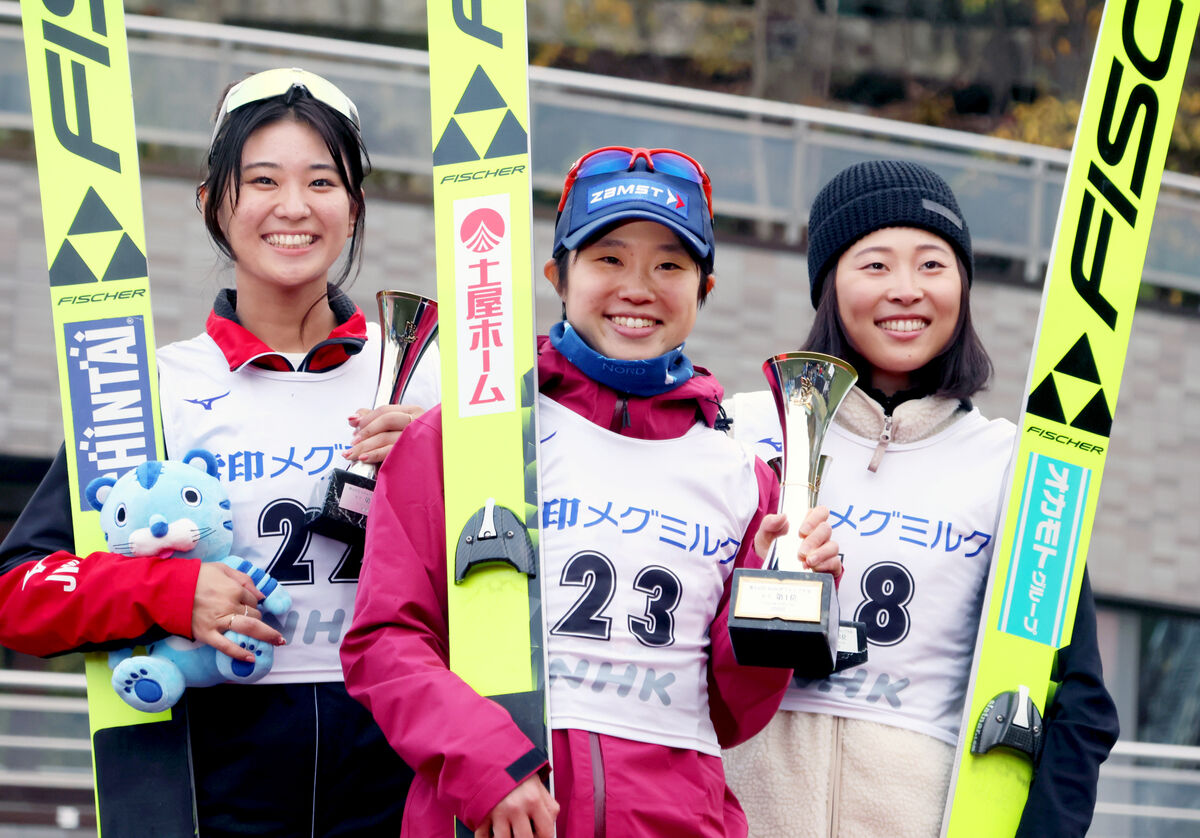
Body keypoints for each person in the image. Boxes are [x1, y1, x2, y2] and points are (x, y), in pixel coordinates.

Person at [340, 146, 842, 837]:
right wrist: (487, 767)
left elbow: (731, 716)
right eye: (608, 258)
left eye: (670, 264)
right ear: (558, 275)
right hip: (498, 816)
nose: (638, 287)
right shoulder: (468, 437)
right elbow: (385, 639)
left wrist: (774, 602)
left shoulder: (744, 477)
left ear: (705, 289)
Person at [0, 67, 439, 836]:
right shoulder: (149, 390)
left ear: (354, 206)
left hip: (397, 778)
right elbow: (19, 593)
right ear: (211, 202)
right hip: (208, 788)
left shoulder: (426, 377)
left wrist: (440, 472)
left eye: (322, 181)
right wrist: (171, 593)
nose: (293, 208)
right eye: (261, 180)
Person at [721, 159, 1119, 838]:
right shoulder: (745, 431)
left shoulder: (1013, 468)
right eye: (874, 265)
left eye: (932, 265)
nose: (906, 291)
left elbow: (1076, 701)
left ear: (962, 285)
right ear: (828, 285)